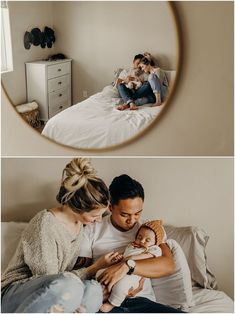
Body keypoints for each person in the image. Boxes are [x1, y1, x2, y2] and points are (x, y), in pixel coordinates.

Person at [1, 158, 120, 313]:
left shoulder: (80, 226)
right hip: (13, 294)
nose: (98, 220)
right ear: (78, 208)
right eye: (95, 215)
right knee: (71, 285)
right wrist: (93, 268)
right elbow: (52, 280)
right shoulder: (45, 224)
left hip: (57, 290)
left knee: (93, 289)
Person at [78, 174, 185, 313]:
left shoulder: (149, 229)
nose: (132, 220)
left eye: (137, 213)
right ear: (110, 207)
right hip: (104, 302)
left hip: (141, 301)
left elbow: (168, 265)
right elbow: (82, 275)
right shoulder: (92, 230)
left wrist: (127, 266)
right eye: (125, 214)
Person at [97, 220, 167, 312]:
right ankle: (99, 295)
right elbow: (125, 255)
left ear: (155, 243)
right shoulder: (131, 245)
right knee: (99, 273)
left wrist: (132, 258)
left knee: (121, 286)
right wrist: (119, 257)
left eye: (147, 240)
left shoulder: (154, 249)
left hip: (134, 275)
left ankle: (111, 304)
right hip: (119, 269)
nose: (142, 241)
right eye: (139, 237)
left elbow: (149, 256)